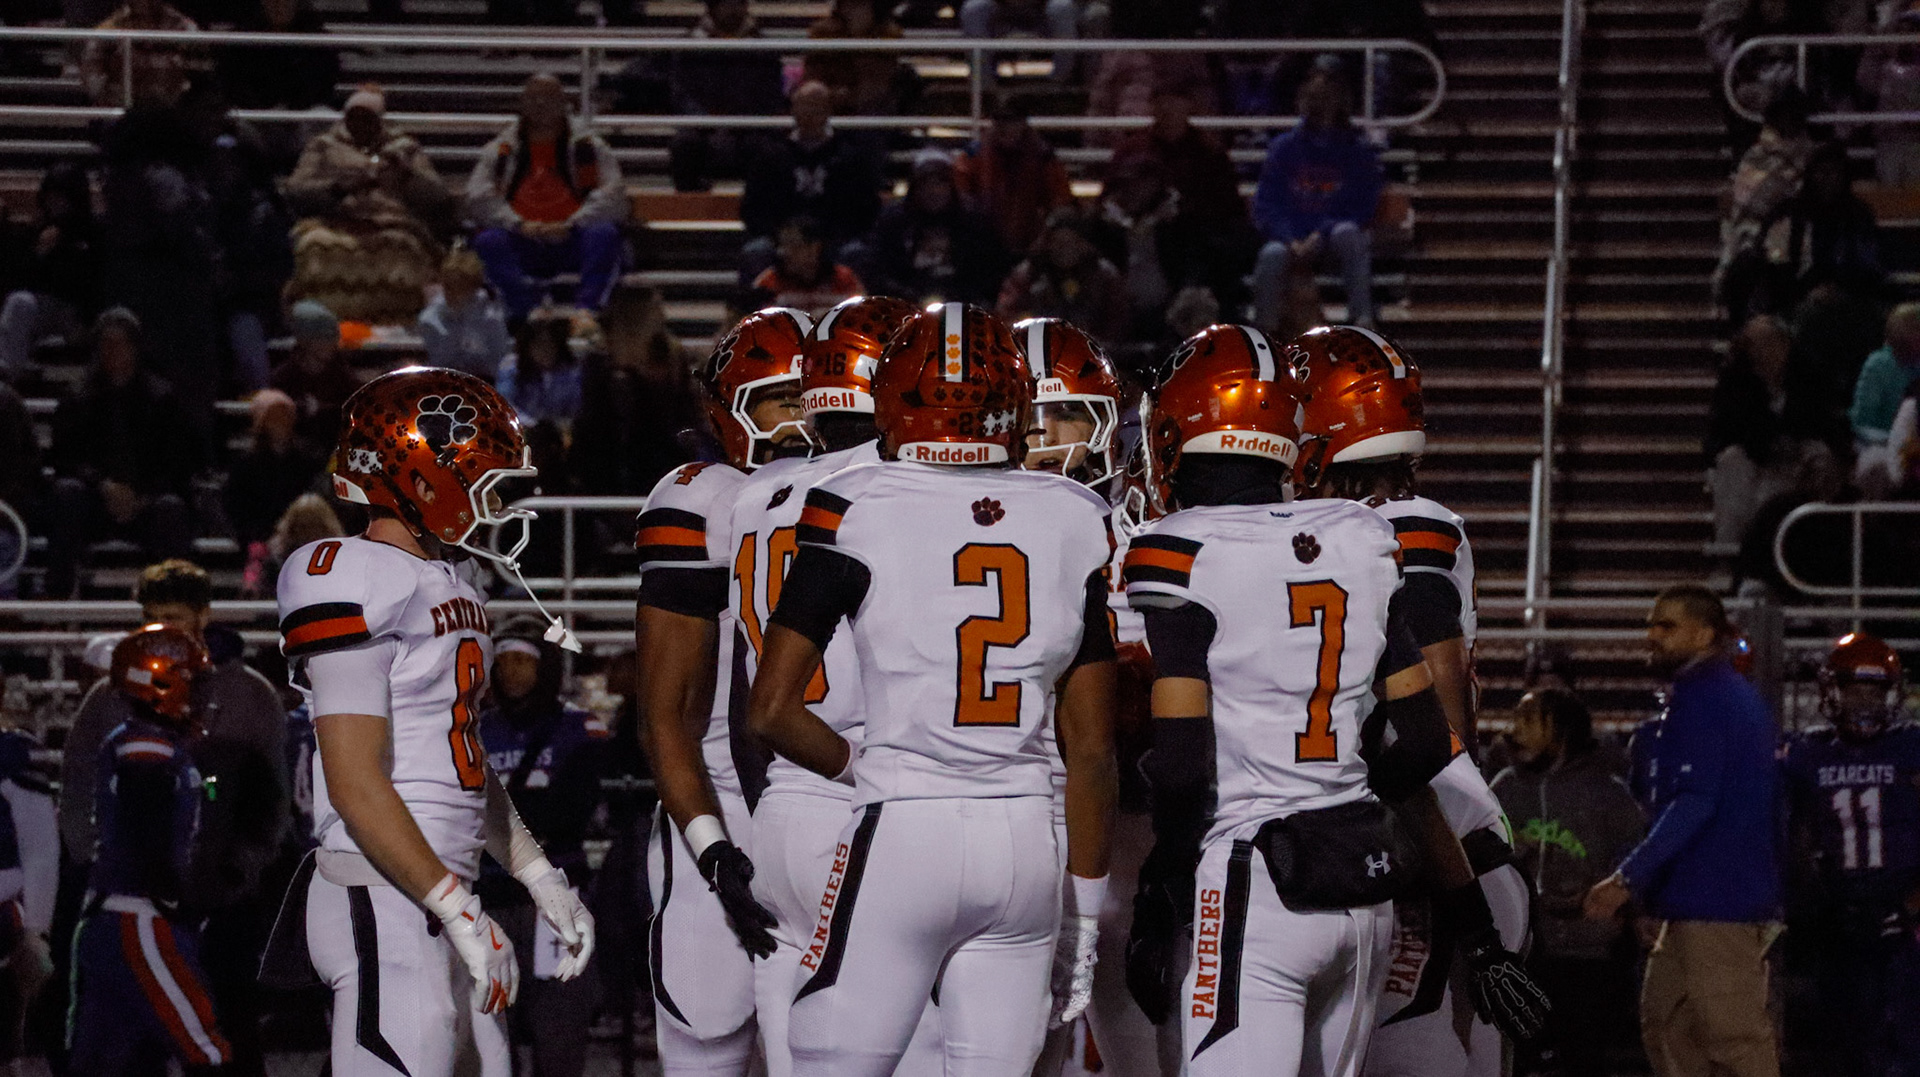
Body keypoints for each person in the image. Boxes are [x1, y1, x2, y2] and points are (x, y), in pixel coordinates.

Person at [1118, 324, 1541, 1075]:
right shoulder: (1358, 538)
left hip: (1295, 868)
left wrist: (1161, 885)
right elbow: (1426, 745)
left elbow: (1181, 765)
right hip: (1383, 865)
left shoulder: (1181, 548)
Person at [747, 302, 1119, 1075]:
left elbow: (771, 710)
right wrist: (1084, 918)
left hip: (905, 826)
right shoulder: (1078, 515)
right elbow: (1091, 750)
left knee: (828, 1058)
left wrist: (860, 766)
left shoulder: (852, 503)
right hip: (1025, 841)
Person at [276, 366, 593, 1077]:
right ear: (423, 479)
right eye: (481, 481)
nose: (495, 503)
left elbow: (461, 760)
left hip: (436, 892)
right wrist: (454, 906)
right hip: (382, 891)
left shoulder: (451, 582)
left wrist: (538, 873)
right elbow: (353, 779)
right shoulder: (350, 571)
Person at [1286, 325, 1542, 1077]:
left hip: (1438, 853)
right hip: (1426, 846)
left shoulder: (1401, 525)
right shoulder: (1351, 527)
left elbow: (1439, 730)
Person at [722, 294, 918, 1076]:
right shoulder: (892, 488)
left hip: (781, 804)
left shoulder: (751, 498)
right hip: (864, 787)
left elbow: (746, 693)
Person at [632, 308, 812, 1073]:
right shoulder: (704, 496)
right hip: (724, 806)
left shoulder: (877, 493)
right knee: (707, 1034)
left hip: (835, 808)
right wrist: (711, 848)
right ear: (728, 408)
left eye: (814, 397)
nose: (802, 421)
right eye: (781, 400)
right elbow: (666, 714)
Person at [56, 560, 288, 1077]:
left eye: (175, 618)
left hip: (219, 900)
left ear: (204, 616)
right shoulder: (113, 696)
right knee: (143, 1048)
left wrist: (238, 870)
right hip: (140, 904)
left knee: (226, 1029)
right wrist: (102, 865)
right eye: (151, 618)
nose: (162, 631)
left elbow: (269, 801)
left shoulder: (249, 695)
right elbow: (77, 787)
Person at [1583, 585, 1781, 1077]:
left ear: (1705, 634)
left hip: (1718, 900)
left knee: (1734, 1039)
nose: (1652, 635)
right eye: (1652, 624)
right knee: (1667, 1025)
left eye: (1667, 626)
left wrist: (1628, 879)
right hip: (1696, 898)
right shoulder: (1711, 695)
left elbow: (1695, 802)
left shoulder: (1709, 699)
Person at [65, 625, 231, 1077]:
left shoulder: (150, 741)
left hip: (111, 917)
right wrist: (176, 898)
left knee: (99, 1063)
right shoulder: (148, 746)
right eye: (192, 682)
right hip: (139, 918)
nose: (201, 695)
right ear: (160, 684)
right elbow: (147, 828)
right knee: (207, 1050)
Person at [1779, 634, 1920, 1077]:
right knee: (1846, 1045)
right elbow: (1790, 834)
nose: (1865, 702)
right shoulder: (1806, 753)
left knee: (1905, 1042)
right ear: (1831, 691)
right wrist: (1810, 901)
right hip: (1837, 918)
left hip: (1905, 917)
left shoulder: (1911, 746)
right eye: (1855, 690)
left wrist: (1914, 903)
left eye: (1875, 692)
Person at [477, 616, 612, 1077]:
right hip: (491, 899)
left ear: (546, 668)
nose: (511, 671)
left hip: (555, 900)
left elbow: (570, 810)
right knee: (492, 1039)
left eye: (524, 661)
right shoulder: (476, 730)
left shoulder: (578, 728)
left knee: (559, 1034)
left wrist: (507, 818)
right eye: (504, 661)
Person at [1492, 689, 1646, 1077]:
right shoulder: (1505, 788)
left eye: (1529, 719)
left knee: (1583, 1057)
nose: (1515, 729)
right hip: (1525, 950)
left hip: (1589, 952)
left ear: (1561, 731)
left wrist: (1624, 909)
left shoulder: (1605, 792)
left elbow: (1636, 856)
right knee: (1522, 1058)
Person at [44, 309, 198, 598]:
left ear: (135, 348)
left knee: (171, 509)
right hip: (94, 501)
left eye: (120, 343)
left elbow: (178, 463)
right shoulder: (78, 396)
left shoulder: (162, 399)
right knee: (66, 494)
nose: (112, 351)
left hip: (146, 503)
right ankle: (56, 597)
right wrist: (103, 486)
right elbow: (64, 457)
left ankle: (177, 602)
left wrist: (142, 496)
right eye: (106, 343)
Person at [468, 74, 628, 325]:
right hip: (522, 239)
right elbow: (477, 198)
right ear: (522, 104)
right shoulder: (501, 150)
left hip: (572, 238)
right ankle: (525, 312)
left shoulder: (589, 147)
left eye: (549, 98)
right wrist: (519, 224)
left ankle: (586, 312)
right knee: (488, 241)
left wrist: (572, 224)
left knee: (604, 235)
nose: (540, 105)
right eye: (533, 98)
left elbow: (615, 196)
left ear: (564, 103)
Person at [285, 86, 450, 325]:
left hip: (392, 223)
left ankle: (396, 321)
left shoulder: (404, 147)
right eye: (354, 117)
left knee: (404, 249)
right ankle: (324, 322)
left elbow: (438, 197)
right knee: (314, 246)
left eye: (367, 118)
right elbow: (296, 191)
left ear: (380, 120)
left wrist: (407, 176)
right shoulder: (323, 145)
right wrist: (338, 188)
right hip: (335, 222)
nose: (360, 124)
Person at [1251, 58, 1383, 333]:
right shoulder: (1283, 148)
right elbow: (1267, 205)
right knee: (1271, 256)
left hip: (1333, 236)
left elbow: (1361, 206)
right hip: (1290, 239)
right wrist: (1289, 238)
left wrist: (1320, 232)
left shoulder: (1357, 151)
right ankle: (1264, 334)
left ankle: (1363, 321)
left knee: (1349, 235)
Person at [1706, 314, 1844, 548]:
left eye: (1769, 344)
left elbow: (1822, 421)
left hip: (1800, 448)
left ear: (1785, 344)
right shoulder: (1735, 378)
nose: (1762, 352)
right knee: (1732, 461)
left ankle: (1816, 541)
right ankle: (1731, 546)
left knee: (1821, 457)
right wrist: (1765, 443)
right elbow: (1727, 427)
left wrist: (1795, 441)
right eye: (1754, 345)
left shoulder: (1809, 374)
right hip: (1752, 451)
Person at [738, 81, 883, 288]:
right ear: (793, 110)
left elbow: (866, 209)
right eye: (803, 106)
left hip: (835, 240)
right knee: (756, 252)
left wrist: (823, 242)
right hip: (781, 239)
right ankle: (754, 308)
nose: (809, 114)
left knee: (857, 254)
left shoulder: (850, 157)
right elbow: (752, 208)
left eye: (816, 107)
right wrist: (785, 238)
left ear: (828, 110)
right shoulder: (772, 155)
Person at [570, 281, 697, 498]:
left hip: (661, 472)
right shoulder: (599, 365)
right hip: (605, 475)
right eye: (655, 308)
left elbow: (681, 419)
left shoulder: (671, 360)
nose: (662, 315)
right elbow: (591, 427)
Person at [664, 0, 786, 193]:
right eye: (727, 4)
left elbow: (770, 96)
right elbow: (681, 94)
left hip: (749, 129)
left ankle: (760, 206)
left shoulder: (764, 46)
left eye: (738, 3)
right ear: (713, 7)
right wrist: (708, 123)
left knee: (767, 149)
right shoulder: (688, 44)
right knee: (684, 145)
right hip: (702, 129)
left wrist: (737, 123)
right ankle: (691, 206)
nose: (733, 10)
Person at [866, 150, 1008, 305]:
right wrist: (908, 296)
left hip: (960, 304)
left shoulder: (973, 221)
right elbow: (879, 269)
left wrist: (962, 298)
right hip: (907, 303)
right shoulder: (894, 222)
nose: (934, 191)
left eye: (940, 183)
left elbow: (987, 270)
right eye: (926, 183)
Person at [0, 164, 99, 382]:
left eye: (61, 197)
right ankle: (8, 372)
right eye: (51, 196)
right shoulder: (38, 230)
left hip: (76, 313)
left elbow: (94, 279)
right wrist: (38, 253)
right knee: (20, 302)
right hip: (42, 308)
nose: (55, 203)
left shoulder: (91, 231)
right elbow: (17, 278)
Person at [953, 95, 1075, 258]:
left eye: (1011, 121)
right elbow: (960, 192)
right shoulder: (975, 154)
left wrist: (1045, 236)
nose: (1004, 127)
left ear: (1023, 123)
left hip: (1034, 244)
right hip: (985, 245)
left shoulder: (1043, 156)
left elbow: (1061, 200)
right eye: (999, 121)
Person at [997, 207, 1129, 347]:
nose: (1065, 249)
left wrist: (1095, 342)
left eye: (1072, 242)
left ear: (1083, 244)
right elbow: (1008, 314)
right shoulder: (1029, 274)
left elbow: (1118, 318)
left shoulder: (1103, 275)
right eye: (1058, 242)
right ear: (1048, 244)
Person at [226, 388, 326, 549]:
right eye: (273, 416)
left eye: (284, 414)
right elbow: (238, 507)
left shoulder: (310, 456)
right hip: (261, 537)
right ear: (261, 422)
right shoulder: (246, 462)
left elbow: (318, 498)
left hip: (304, 535)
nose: (280, 421)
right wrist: (262, 538)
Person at [269, 299, 363, 458]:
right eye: (321, 338)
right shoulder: (285, 376)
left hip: (335, 448)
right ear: (304, 341)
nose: (330, 344)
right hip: (296, 451)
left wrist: (325, 409)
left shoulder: (341, 373)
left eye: (332, 338)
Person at [1850, 301, 1920, 496]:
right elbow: (1861, 423)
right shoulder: (1878, 365)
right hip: (1879, 444)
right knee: (1876, 465)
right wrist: (1896, 441)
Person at [79, 0, 203, 106]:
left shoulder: (185, 28)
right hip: (124, 112)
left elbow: (202, 71)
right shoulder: (108, 30)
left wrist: (185, 105)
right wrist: (116, 104)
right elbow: (92, 77)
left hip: (174, 111)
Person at [801, 0, 914, 117]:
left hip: (878, 105)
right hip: (832, 106)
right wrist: (835, 94)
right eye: (849, 5)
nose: (854, 11)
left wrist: (861, 37)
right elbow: (813, 77)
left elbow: (883, 81)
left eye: (861, 6)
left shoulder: (888, 33)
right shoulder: (823, 32)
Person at [418, 244, 514, 380]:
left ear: (474, 287)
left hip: (483, 380)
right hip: (443, 380)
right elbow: (437, 361)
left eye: (461, 286)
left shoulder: (491, 317)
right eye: (448, 286)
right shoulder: (429, 319)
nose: (453, 293)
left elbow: (497, 360)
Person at [747, 216, 865, 316]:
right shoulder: (768, 283)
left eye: (793, 245)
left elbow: (862, 315)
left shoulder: (845, 280)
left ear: (815, 247)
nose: (783, 252)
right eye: (782, 245)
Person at [497, 311, 583, 431]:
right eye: (539, 344)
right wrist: (534, 426)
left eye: (550, 344)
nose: (545, 350)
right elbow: (504, 406)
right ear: (527, 346)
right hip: (520, 431)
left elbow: (575, 408)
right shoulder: (511, 367)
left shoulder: (570, 371)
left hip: (558, 432)